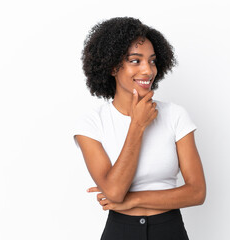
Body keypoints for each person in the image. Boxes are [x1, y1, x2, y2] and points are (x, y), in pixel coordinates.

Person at [73, 17, 206, 240]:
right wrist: (137, 125)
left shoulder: (175, 116)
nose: (148, 70)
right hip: (120, 231)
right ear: (113, 67)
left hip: (169, 229)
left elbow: (197, 192)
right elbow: (114, 191)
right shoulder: (92, 124)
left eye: (152, 61)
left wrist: (132, 199)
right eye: (136, 61)